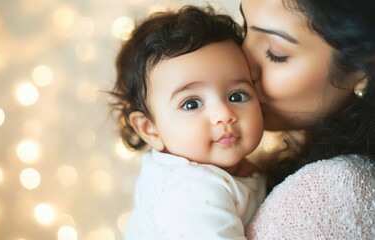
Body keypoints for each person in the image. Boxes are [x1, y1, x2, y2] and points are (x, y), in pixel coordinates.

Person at [110, 5, 266, 239]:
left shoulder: (215, 168)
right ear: (150, 129)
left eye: (237, 96)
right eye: (192, 104)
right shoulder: (192, 193)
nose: (224, 113)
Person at [238, 0, 375, 238]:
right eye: (244, 28)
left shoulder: (332, 193)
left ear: (362, 70)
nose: (241, 67)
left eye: (275, 53)